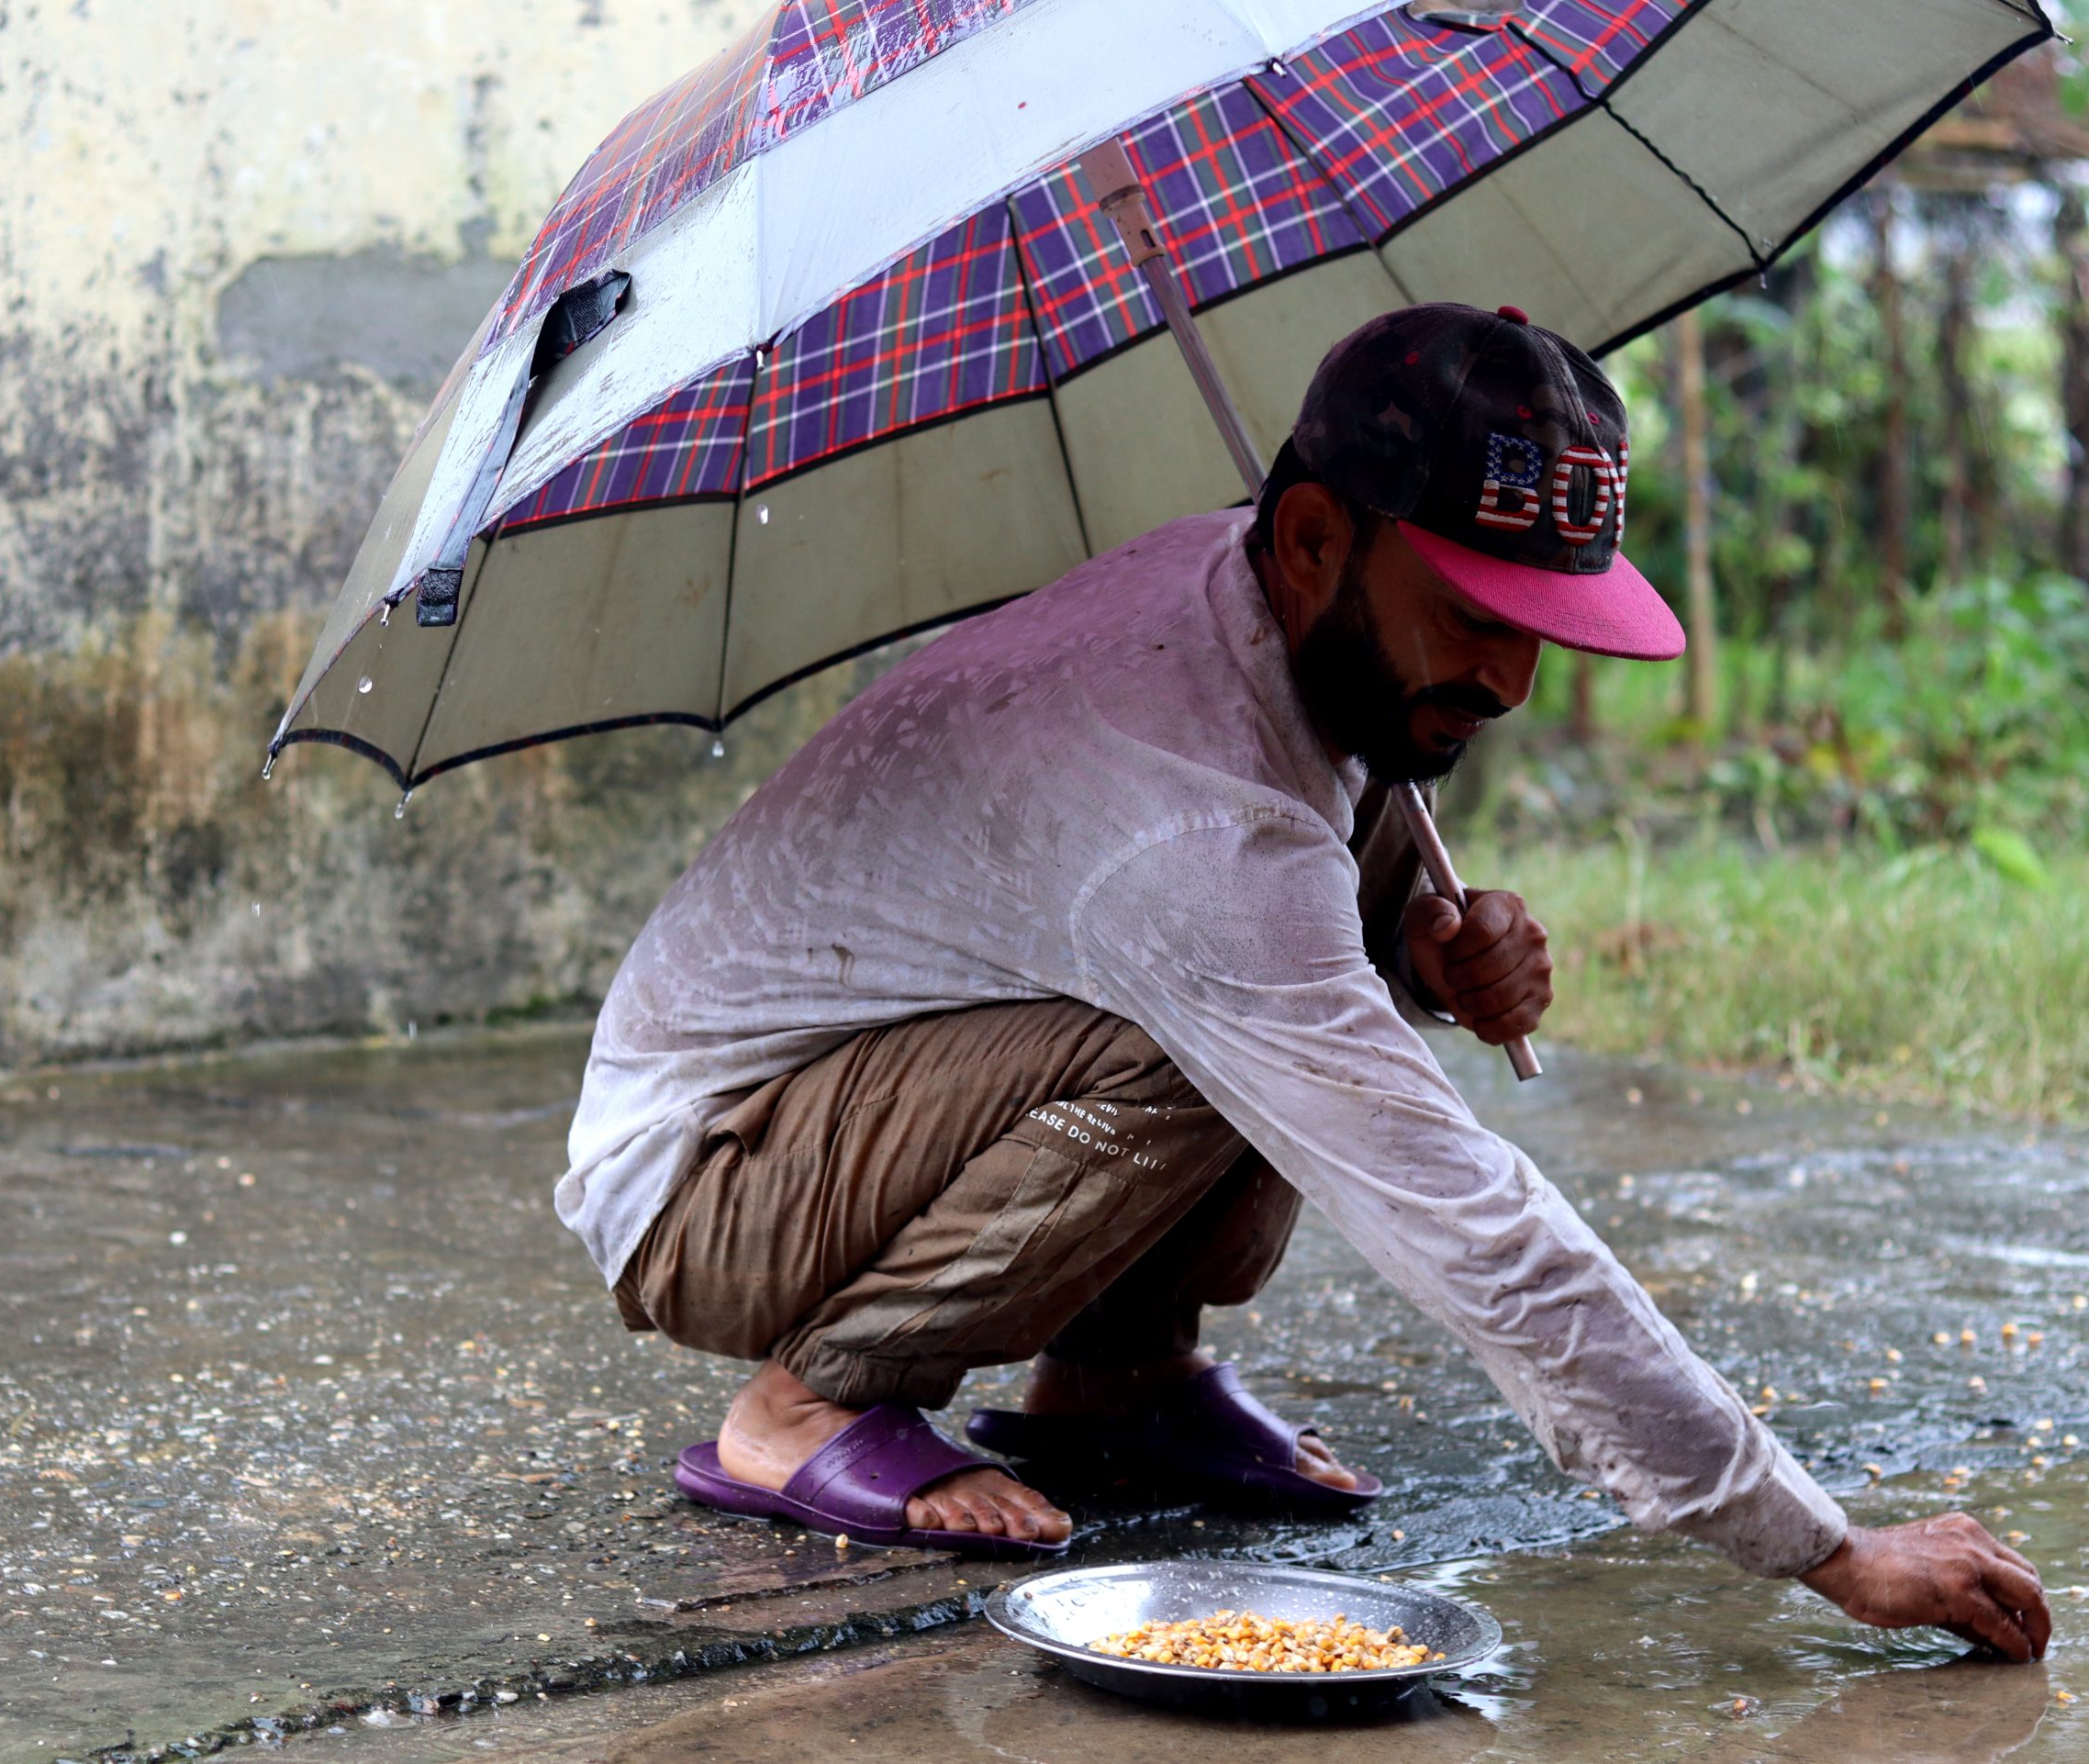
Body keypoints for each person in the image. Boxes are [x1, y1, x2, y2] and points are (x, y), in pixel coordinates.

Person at [558, 304, 2050, 1656]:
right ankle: (805, 1405)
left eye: (1541, 627)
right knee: (1197, 1035)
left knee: (1256, 989)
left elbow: (1311, 852)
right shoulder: (1187, 818)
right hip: (712, 1179)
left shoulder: (1249, 594)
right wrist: (1823, 1542)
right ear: (1317, 540)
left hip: (882, 1090)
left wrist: (1418, 943)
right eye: (1475, 616)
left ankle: (1119, 1377)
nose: (1515, 682)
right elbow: (1472, 1221)